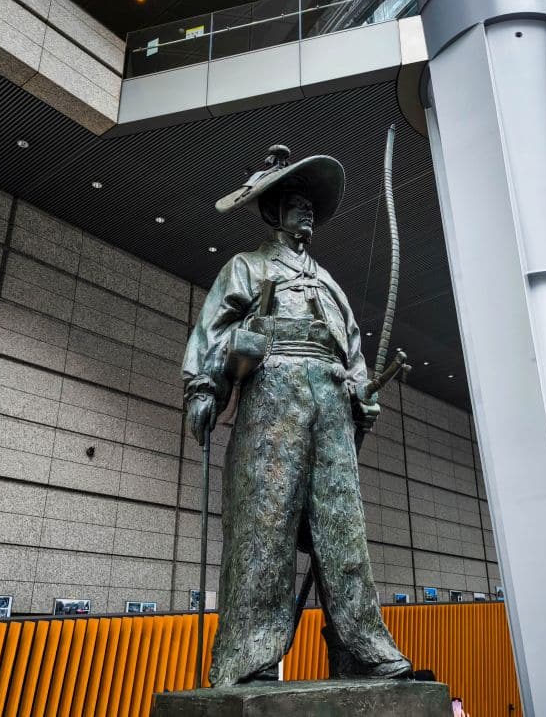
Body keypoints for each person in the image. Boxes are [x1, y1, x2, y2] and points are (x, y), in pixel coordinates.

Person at [183, 144, 412, 686]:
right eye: (295, 203)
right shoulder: (247, 267)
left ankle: (361, 645)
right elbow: (212, 332)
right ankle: (251, 655)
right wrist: (203, 386)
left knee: (343, 528)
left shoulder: (328, 283)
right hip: (271, 397)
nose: (306, 211)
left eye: (310, 204)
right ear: (273, 210)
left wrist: (362, 391)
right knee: (265, 523)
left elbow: (351, 349)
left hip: (329, 400)